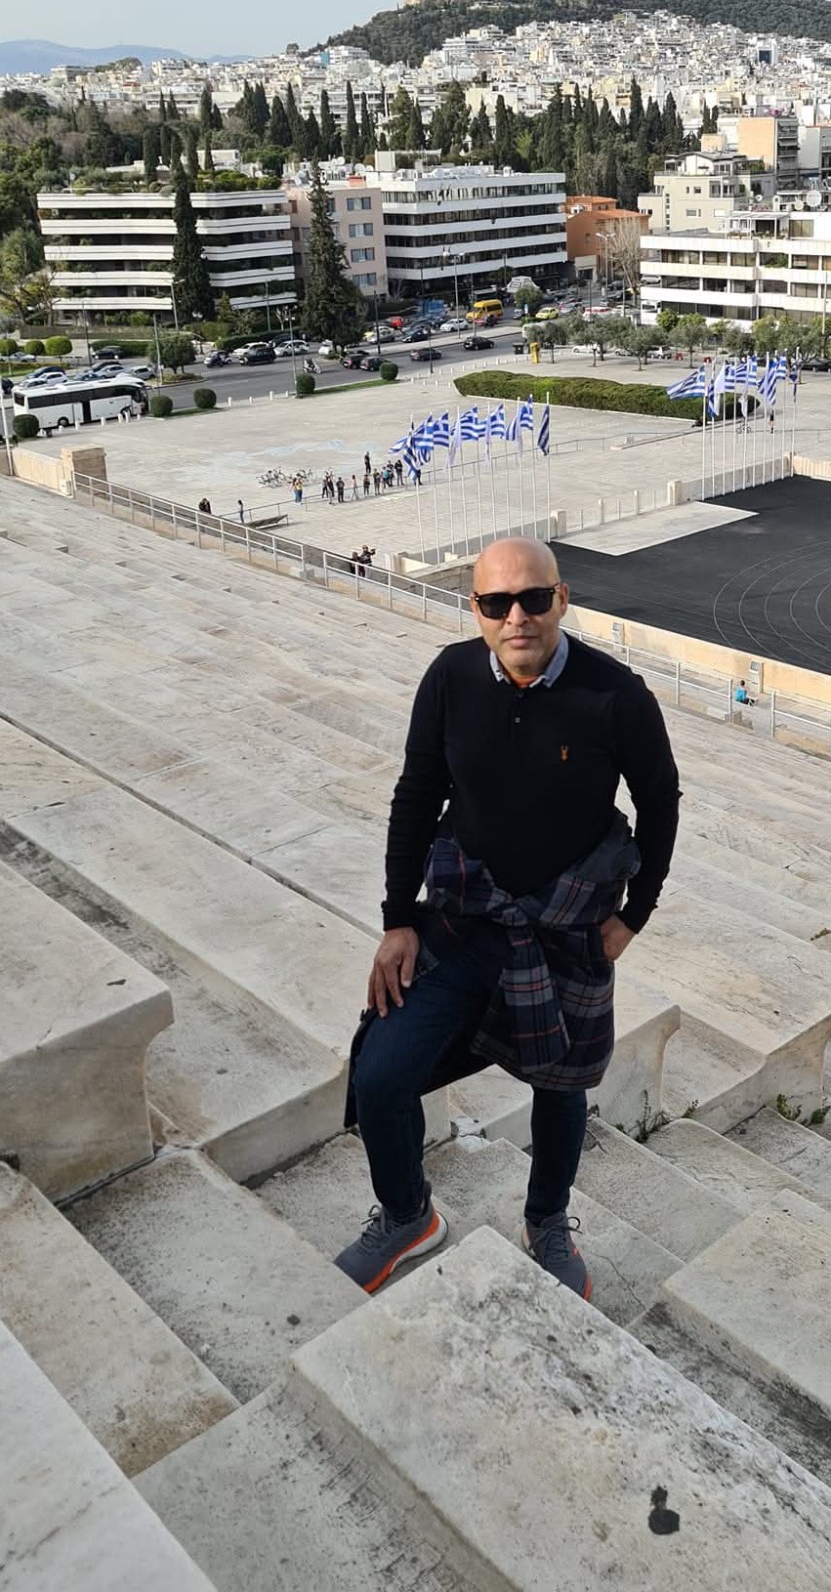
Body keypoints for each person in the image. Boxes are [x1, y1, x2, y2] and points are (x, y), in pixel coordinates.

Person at [339, 536, 681, 1302]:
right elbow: (416, 794)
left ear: (562, 599)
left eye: (533, 598)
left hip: (566, 930)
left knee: (561, 1087)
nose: (516, 617)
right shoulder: (450, 677)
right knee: (382, 1072)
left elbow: (660, 802)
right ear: (477, 610)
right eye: (497, 603)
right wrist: (397, 920)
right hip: (463, 920)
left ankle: (547, 1219)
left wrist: (635, 916)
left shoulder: (616, 695)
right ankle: (407, 1216)